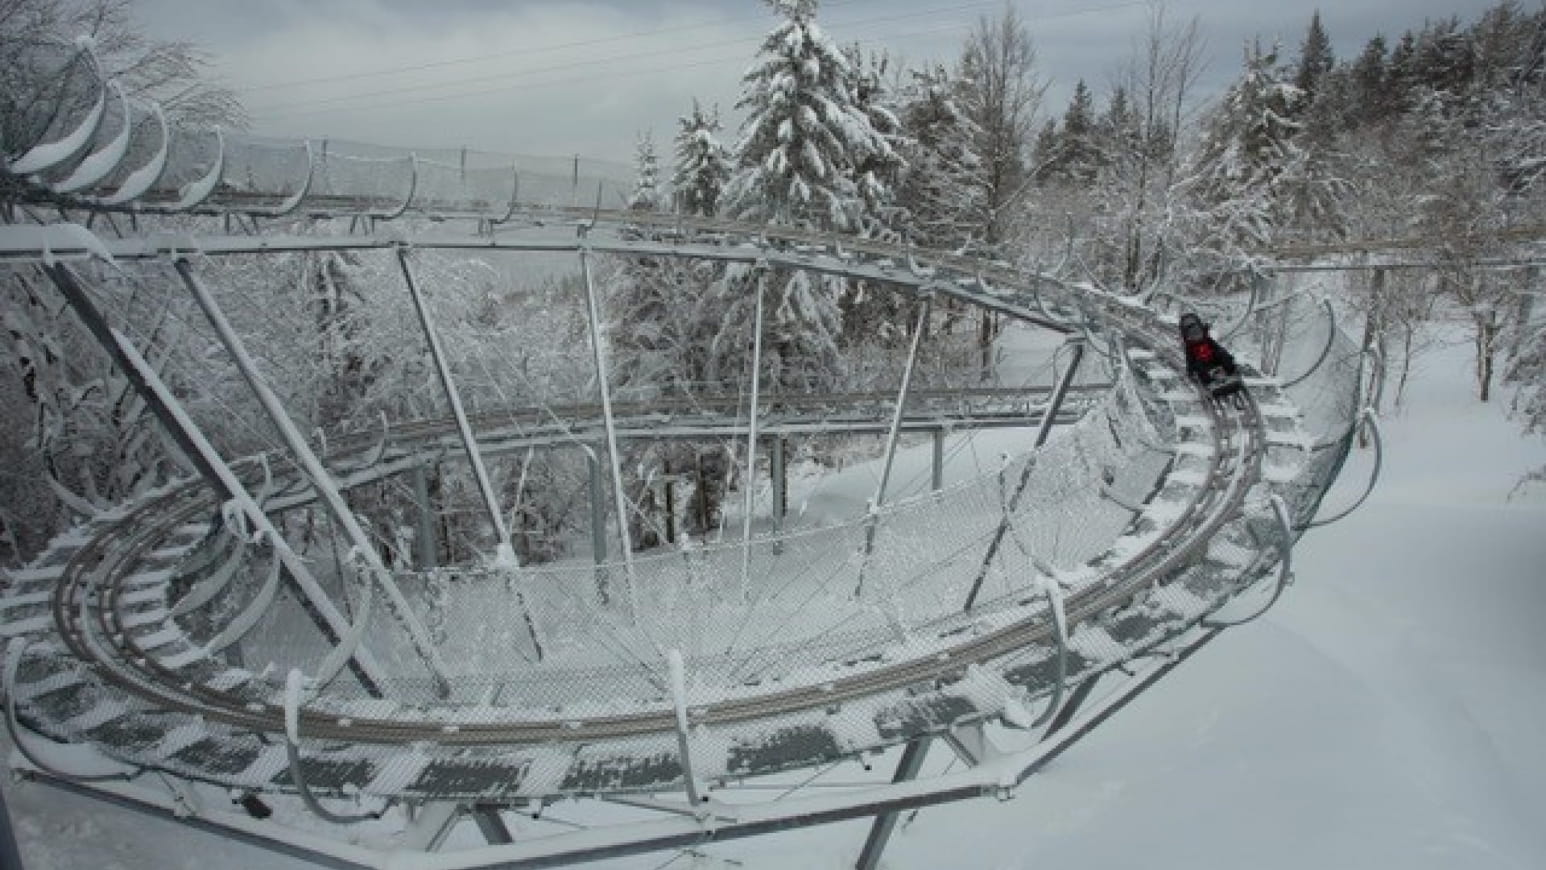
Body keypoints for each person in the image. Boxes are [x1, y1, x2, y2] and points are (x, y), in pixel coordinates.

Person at [1178, 312, 1240, 396]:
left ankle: (1230, 372)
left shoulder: (1208, 340)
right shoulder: (1190, 348)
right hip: (1205, 366)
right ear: (1188, 337)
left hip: (1215, 361)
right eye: (1193, 336)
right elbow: (1190, 360)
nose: (1197, 337)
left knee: (1221, 354)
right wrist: (1191, 372)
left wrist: (1227, 357)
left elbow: (1218, 348)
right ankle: (1211, 383)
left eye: (1198, 333)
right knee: (1198, 366)